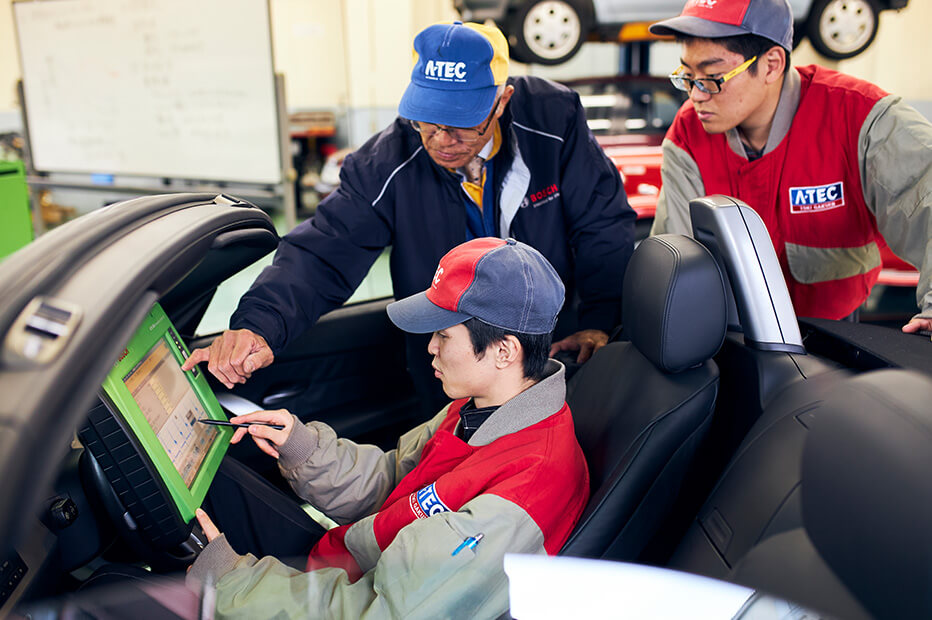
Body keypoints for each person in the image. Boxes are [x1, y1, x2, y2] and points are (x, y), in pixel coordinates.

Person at [181, 20, 635, 414]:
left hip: (554, 350)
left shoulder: (552, 122)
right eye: (426, 120)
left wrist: (600, 321)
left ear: (501, 102)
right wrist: (258, 325)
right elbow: (323, 252)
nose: (440, 140)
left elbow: (601, 225)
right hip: (449, 367)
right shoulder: (386, 162)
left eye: (460, 123)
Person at [185, 237, 590, 618]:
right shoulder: (478, 408)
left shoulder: (524, 490)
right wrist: (302, 447)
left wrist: (229, 583)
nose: (431, 346)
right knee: (214, 479)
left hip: (361, 592)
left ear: (504, 351)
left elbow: (381, 611)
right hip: (354, 561)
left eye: (444, 335)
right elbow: (396, 482)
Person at [648, 0, 932, 335]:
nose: (695, 95)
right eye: (687, 75)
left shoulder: (861, 117)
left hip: (835, 333)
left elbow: (925, 202)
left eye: (712, 77)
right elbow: (676, 259)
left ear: (771, 65)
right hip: (729, 337)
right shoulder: (687, 134)